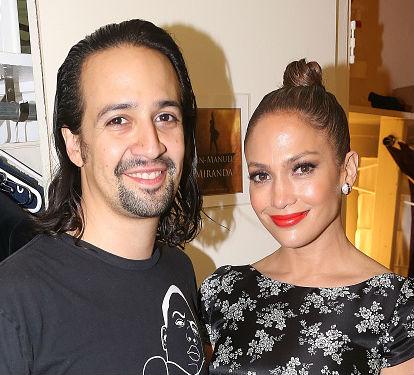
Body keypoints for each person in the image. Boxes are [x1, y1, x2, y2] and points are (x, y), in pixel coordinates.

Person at [0, 19, 207, 375]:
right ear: (76, 145)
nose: (152, 144)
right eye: (118, 120)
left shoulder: (179, 269)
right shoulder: (15, 300)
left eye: (165, 116)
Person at [199, 59, 414, 374]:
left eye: (302, 168)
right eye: (261, 175)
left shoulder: (395, 307)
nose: (280, 197)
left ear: (348, 169)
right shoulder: (222, 289)